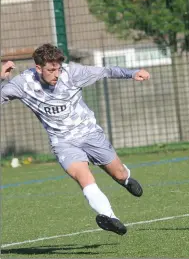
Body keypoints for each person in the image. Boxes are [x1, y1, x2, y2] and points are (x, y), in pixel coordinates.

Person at [0, 43, 151, 235]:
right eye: (51, 70)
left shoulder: (73, 73)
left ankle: (125, 179)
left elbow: (106, 71)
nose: (56, 74)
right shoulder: (22, 84)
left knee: (119, 173)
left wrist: (132, 73)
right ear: (38, 68)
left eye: (58, 69)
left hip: (90, 134)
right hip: (62, 142)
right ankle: (109, 217)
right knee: (83, 177)